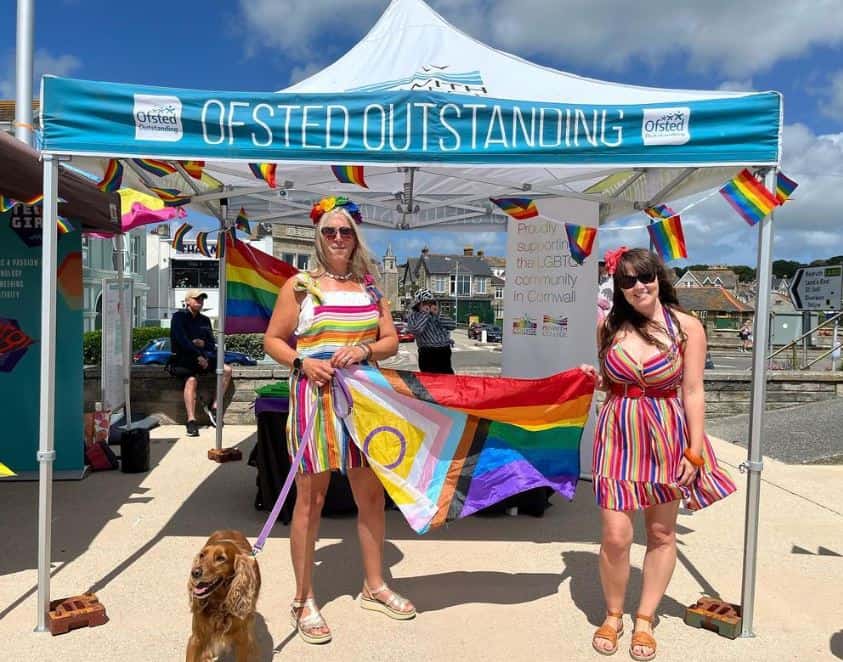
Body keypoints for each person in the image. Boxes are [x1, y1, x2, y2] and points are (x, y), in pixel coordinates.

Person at [264, 196, 416, 645]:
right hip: (314, 398)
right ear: (318, 236)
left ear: (355, 237)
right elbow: (273, 340)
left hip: (365, 402)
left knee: (370, 495)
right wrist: (302, 364)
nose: (336, 238)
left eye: (344, 231)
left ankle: (376, 585)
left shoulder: (370, 288)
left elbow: (390, 339)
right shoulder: (300, 285)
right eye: (329, 231)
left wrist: (366, 350)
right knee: (310, 500)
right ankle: (303, 597)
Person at [580, 247, 736, 661]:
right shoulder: (608, 325)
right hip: (617, 434)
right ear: (618, 286)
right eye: (627, 280)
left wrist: (696, 449)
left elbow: (693, 390)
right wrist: (594, 381)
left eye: (644, 277)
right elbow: (609, 384)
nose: (637, 286)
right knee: (616, 536)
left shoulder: (687, 327)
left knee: (662, 534)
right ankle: (613, 614)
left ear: (659, 278)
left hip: (667, 434)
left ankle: (644, 618)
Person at [169, 289, 232, 437]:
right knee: (191, 381)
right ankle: (191, 421)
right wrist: (197, 355)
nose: (200, 301)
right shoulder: (179, 317)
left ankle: (215, 407)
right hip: (183, 360)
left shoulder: (205, 320)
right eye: (196, 299)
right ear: (187, 301)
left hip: (203, 359)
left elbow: (211, 344)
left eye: (202, 299)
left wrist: (203, 344)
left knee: (227, 370)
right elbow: (180, 340)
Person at [406, 289, 457, 374]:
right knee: (429, 379)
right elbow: (416, 330)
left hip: (444, 351)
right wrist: (424, 314)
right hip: (427, 352)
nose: (429, 305)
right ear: (418, 304)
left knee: (447, 378)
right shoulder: (413, 316)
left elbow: (453, 325)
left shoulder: (437, 314)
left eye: (431, 302)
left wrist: (438, 314)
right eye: (425, 303)